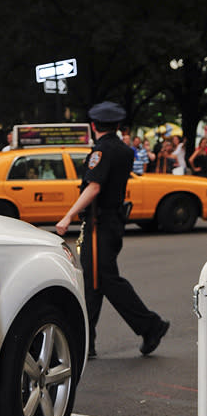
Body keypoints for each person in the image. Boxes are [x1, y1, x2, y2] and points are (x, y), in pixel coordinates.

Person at [55, 101, 169, 358]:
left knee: (103, 280)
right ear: (118, 126)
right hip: (110, 223)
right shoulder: (124, 150)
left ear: (93, 125)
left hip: (100, 224)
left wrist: (67, 217)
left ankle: (151, 325)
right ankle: (87, 342)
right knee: (94, 283)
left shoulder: (102, 151)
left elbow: (93, 187)